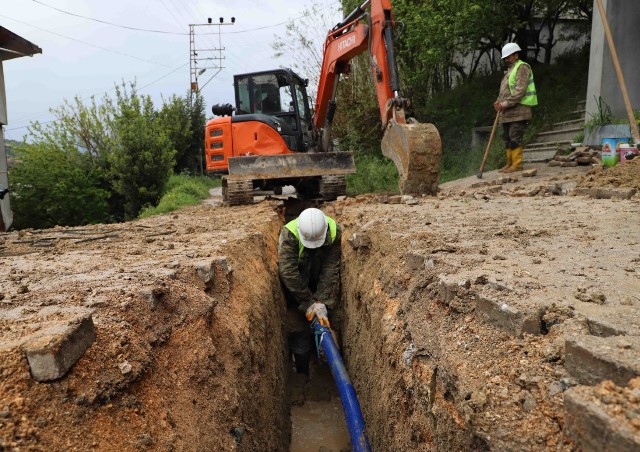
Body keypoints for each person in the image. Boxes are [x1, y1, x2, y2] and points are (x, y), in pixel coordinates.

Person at [278, 207, 341, 376]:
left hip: (318, 275)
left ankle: (325, 368)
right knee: (299, 331)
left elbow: (330, 268)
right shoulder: (290, 234)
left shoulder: (334, 231)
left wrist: (321, 301)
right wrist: (307, 302)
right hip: (297, 287)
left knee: (329, 321)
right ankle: (302, 373)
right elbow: (288, 273)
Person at [494, 42, 538, 173]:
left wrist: (505, 103)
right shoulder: (510, 71)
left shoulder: (522, 67)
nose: (506, 60)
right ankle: (509, 163)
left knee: (515, 137)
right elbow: (505, 92)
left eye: (508, 57)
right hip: (508, 112)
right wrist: (498, 102)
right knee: (507, 138)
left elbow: (520, 91)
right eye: (505, 58)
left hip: (519, 110)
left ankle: (517, 164)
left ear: (515, 55)